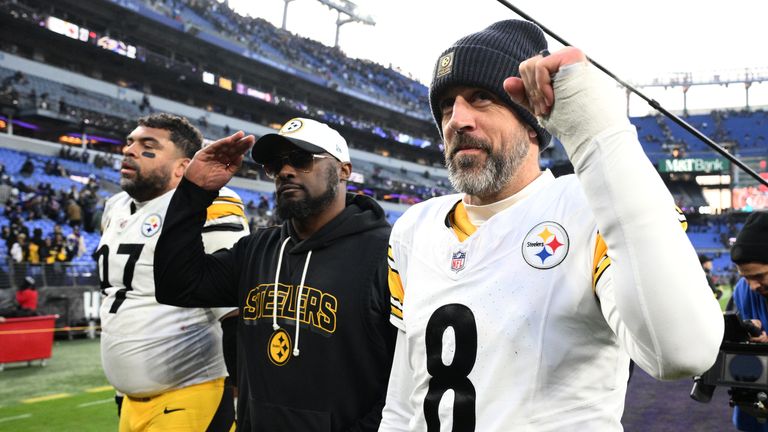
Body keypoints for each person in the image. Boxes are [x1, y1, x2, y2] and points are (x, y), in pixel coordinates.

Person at [379, 20, 724, 430]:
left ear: (531, 123)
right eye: (447, 107)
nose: (458, 119)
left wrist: (596, 131)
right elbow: (404, 401)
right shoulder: (414, 228)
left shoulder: (590, 207)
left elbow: (682, 351)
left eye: (481, 99)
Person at [154, 117, 396, 431]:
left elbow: (403, 381)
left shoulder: (386, 255)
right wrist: (194, 191)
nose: (285, 171)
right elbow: (176, 285)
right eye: (275, 164)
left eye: (301, 159)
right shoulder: (255, 250)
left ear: (343, 170)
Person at [96, 113, 248, 431]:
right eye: (130, 142)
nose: (129, 150)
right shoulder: (114, 207)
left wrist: (242, 397)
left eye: (147, 145)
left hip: (192, 394)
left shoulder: (212, 204)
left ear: (183, 166)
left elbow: (235, 308)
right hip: (129, 400)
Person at [729, 211, 768, 431]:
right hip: (753, 413)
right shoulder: (742, 290)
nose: (753, 286)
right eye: (746, 277)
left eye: (760, 276)